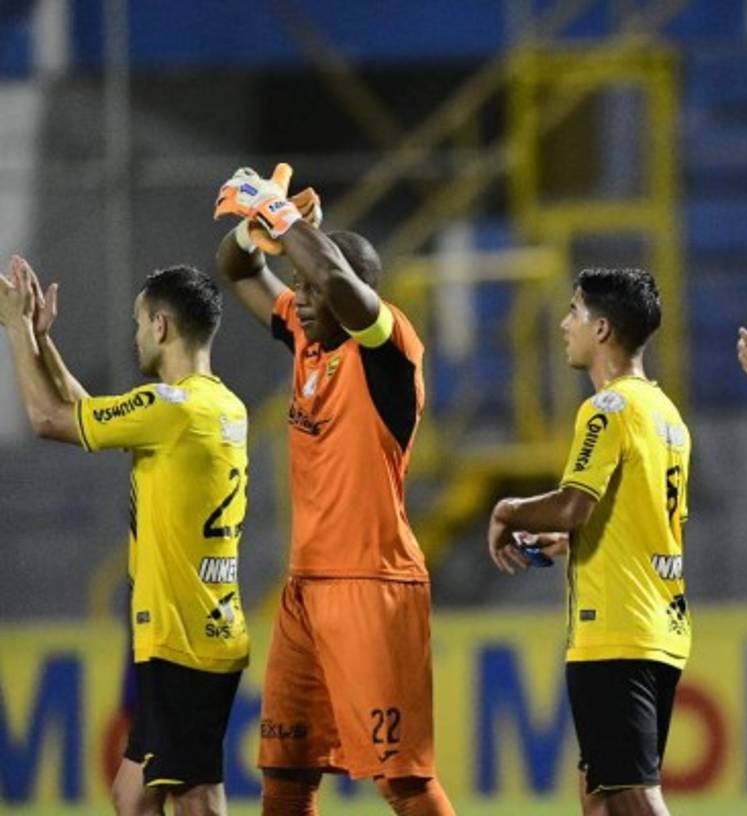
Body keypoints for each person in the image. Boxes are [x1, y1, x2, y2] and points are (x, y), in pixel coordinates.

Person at [211, 168, 453, 816]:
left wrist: (290, 226)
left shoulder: (390, 350)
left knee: (401, 781)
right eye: (298, 288)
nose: (301, 299)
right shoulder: (305, 338)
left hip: (372, 583)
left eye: (313, 287)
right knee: (284, 776)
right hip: (305, 589)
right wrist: (256, 226)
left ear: (355, 294)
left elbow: (339, 283)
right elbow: (234, 269)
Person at [0, 256, 249, 816]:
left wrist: (14, 330)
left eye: (140, 323)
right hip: (196, 630)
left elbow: (47, 418)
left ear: (160, 326)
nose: (136, 335)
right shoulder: (216, 405)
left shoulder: (171, 409)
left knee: (196, 799)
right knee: (132, 796)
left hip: (182, 638)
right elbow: (88, 411)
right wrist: (43, 340)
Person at [486, 266, 691, 816]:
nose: (563, 324)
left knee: (632, 794)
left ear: (601, 330)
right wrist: (568, 541)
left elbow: (575, 502)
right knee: (600, 799)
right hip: (660, 626)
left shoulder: (607, 409)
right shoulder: (665, 413)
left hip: (615, 631)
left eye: (574, 311)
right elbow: (638, 518)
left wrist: (509, 509)